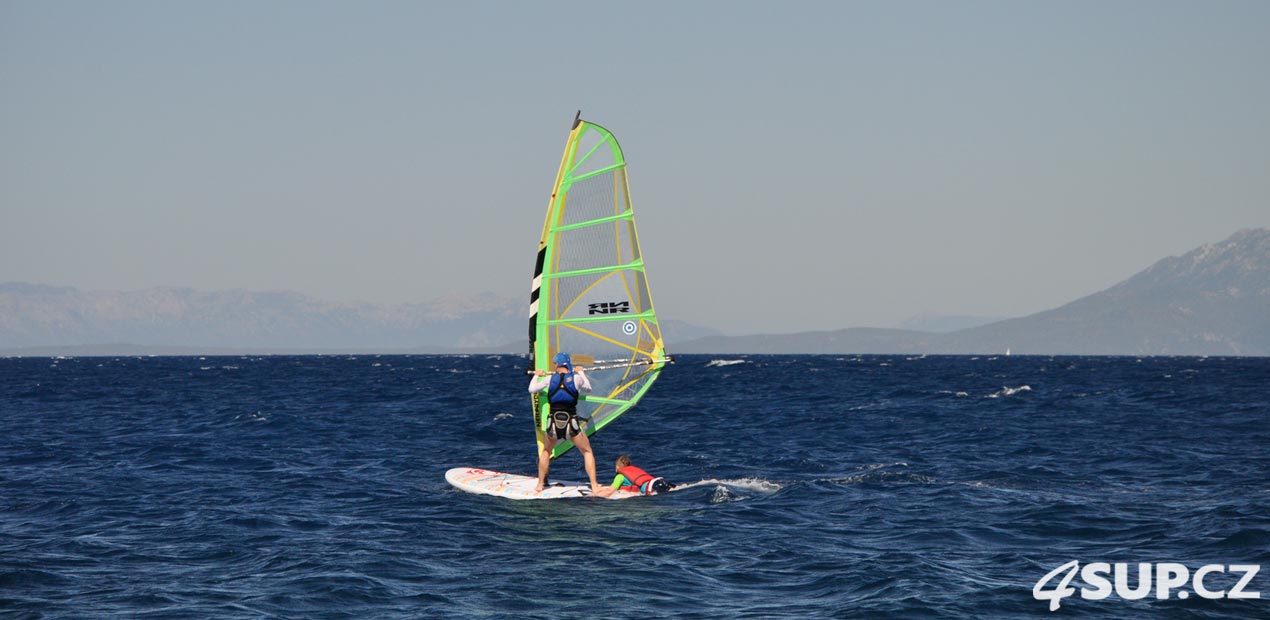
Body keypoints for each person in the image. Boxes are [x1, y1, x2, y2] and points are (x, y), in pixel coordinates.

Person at [528, 352, 603, 494]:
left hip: (553, 424)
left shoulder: (549, 379)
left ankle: (539, 485)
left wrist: (537, 375)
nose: (554, 365)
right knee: (587, 452)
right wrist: (581, 373)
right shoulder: (576, 379)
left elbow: (531, 389)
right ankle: (594, 485)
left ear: (559, 364)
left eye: (555, 363)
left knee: (545, 451)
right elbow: (588, 388)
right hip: (571, 424)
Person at [607, 454, 674, 496]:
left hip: (652, 488)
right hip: (659, 481)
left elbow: (610, 491)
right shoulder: (634, 471)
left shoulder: (620, 476)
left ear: (617, 467)